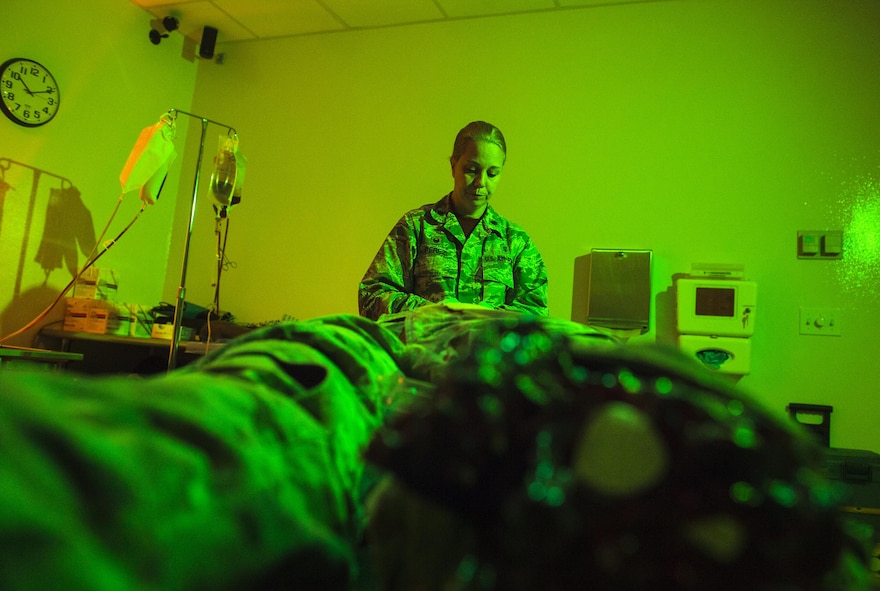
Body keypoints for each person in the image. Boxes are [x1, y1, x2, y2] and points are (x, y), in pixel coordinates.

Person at [358, 121, 549, 321]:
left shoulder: (516, 243)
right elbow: (371, 296)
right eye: (472, 170)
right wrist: (433, 312)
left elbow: (536, 313)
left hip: (488, 342)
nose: (481, 182)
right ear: (453, 165)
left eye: (492, 173)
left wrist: (489, 317)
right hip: (427, 340)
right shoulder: (416, 227)